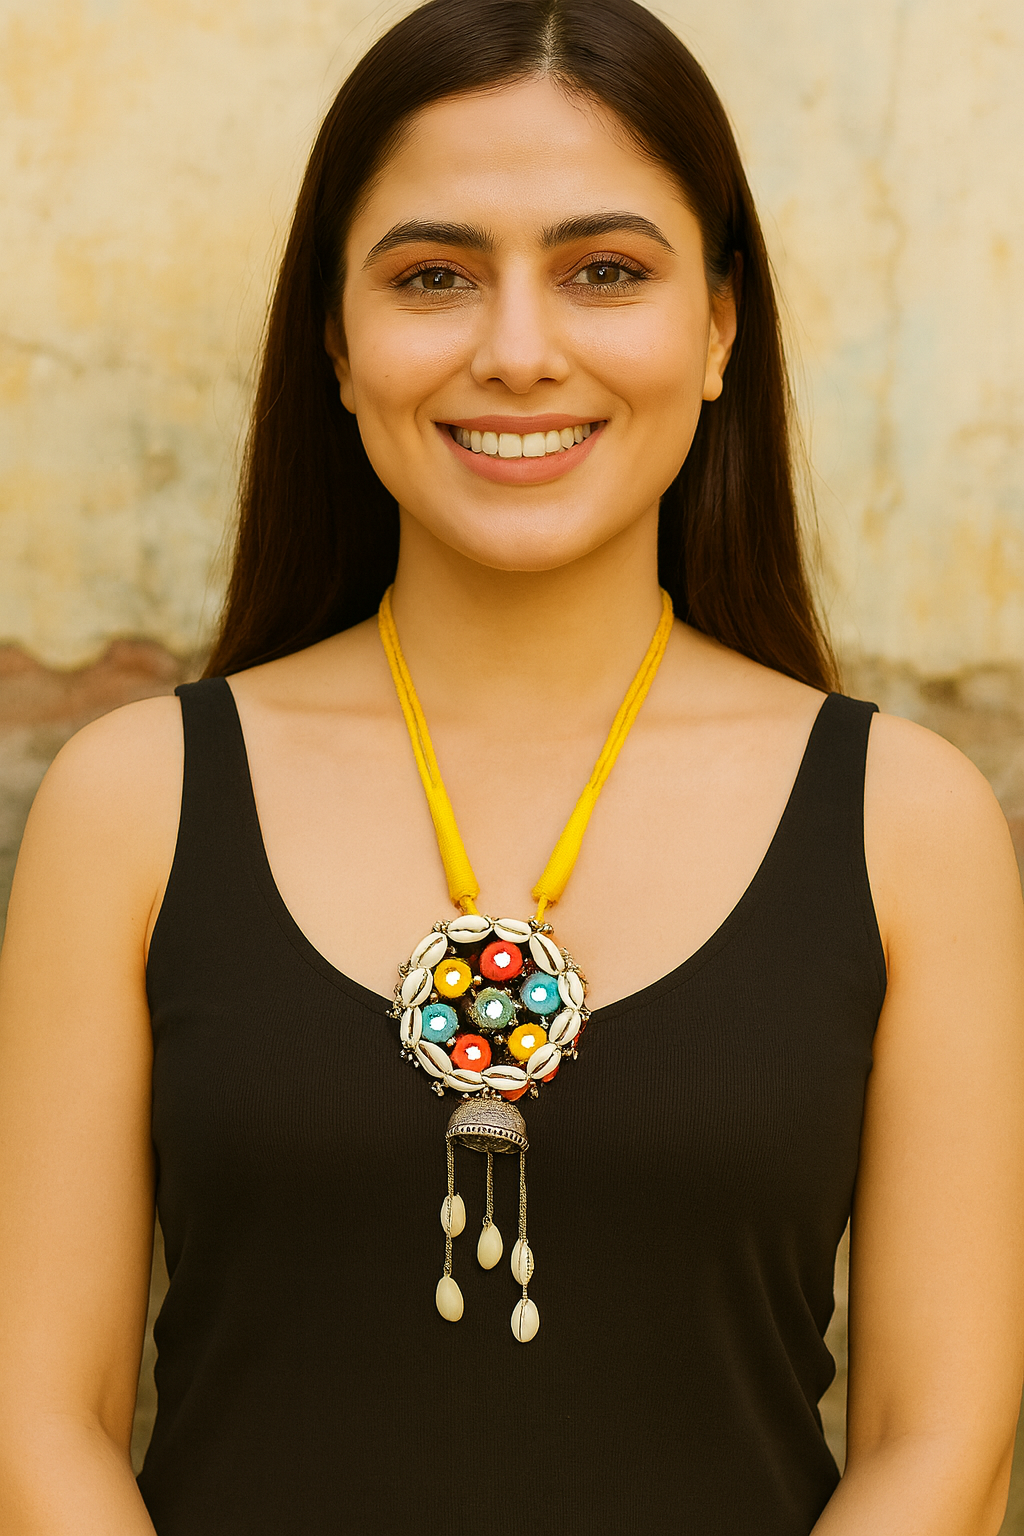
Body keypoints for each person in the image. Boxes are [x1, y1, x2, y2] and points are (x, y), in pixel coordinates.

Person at [1, 1, 1022, 1532]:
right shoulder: (131, 801)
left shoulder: (909, 822)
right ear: (336, 340)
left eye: (605, 270)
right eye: (435, 276)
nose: (520, 352)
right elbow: (35, 1424)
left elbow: (940, 1443)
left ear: (721, 327)